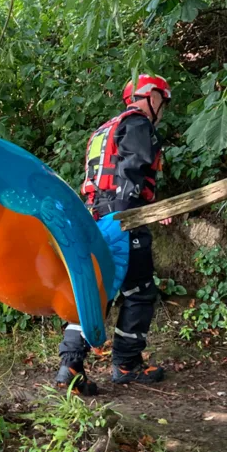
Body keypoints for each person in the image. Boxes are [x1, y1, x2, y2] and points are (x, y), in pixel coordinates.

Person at [55, 74, 172, 394]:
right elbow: (133, 168)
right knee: (140, 291)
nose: (164, 107)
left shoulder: (103, 130)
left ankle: (70, 367)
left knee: (94, 289)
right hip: (124, 220)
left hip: (93, 218)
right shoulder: (138, 124)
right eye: (163, 99)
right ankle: (126, 363)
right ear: (151, 96)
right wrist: (137, 209)